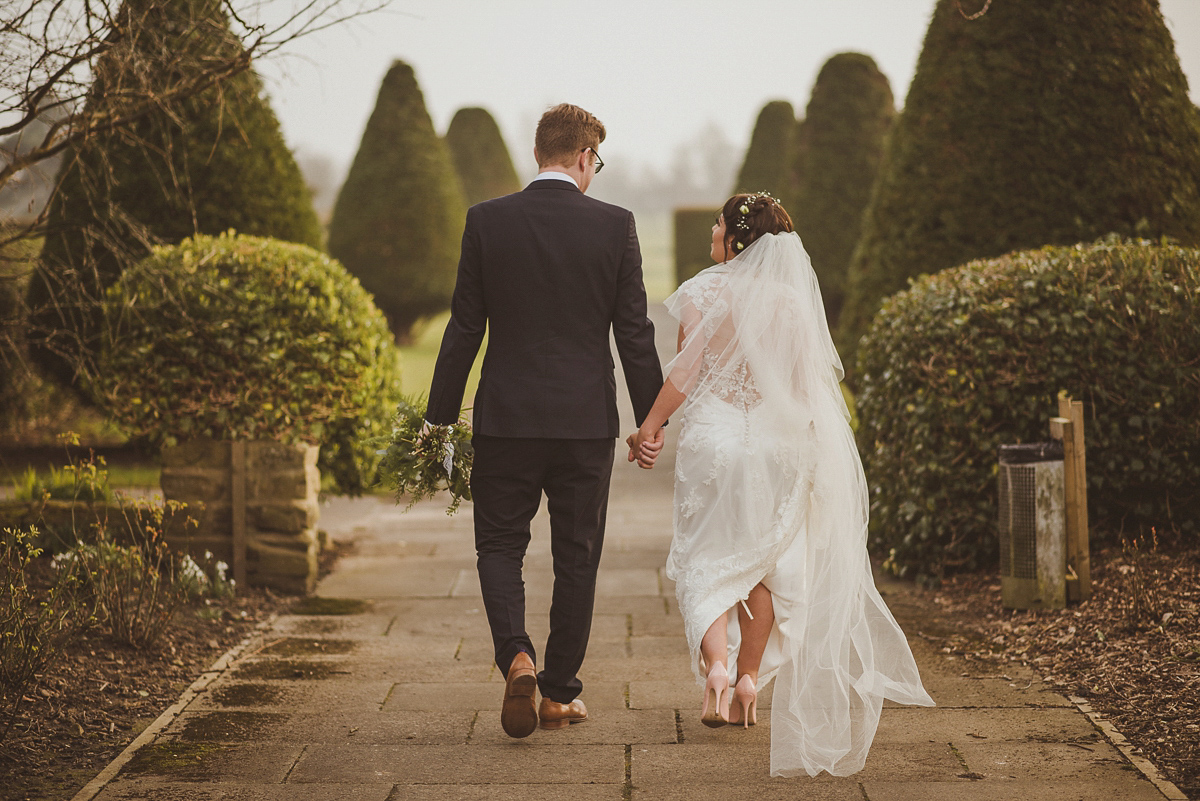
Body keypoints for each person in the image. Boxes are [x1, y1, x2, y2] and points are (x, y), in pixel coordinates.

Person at [629, 192, 933, 777]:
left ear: (736, 238)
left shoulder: (701, 292)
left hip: (715, 443)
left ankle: (715, 670)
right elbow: (804, 388)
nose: (711, 233)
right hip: (776, 444)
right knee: (766, 566)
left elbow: (685, 374)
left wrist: (650, 424)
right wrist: (818, 453)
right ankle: (747, 681)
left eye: (717, 225)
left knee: (707, 561)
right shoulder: (794, 304)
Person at [425, 103, 664, 738]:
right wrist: (652, 420)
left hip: (507, 418)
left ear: (539, 154)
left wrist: (439, 418)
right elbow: (634, 333)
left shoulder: (487, 221)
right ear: (585, 158)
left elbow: (465, 327)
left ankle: (517, 656)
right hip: (585, 421)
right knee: (577, 555)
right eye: (597, 161)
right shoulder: (616, 226)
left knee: (500, 544)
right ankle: (557, 693)